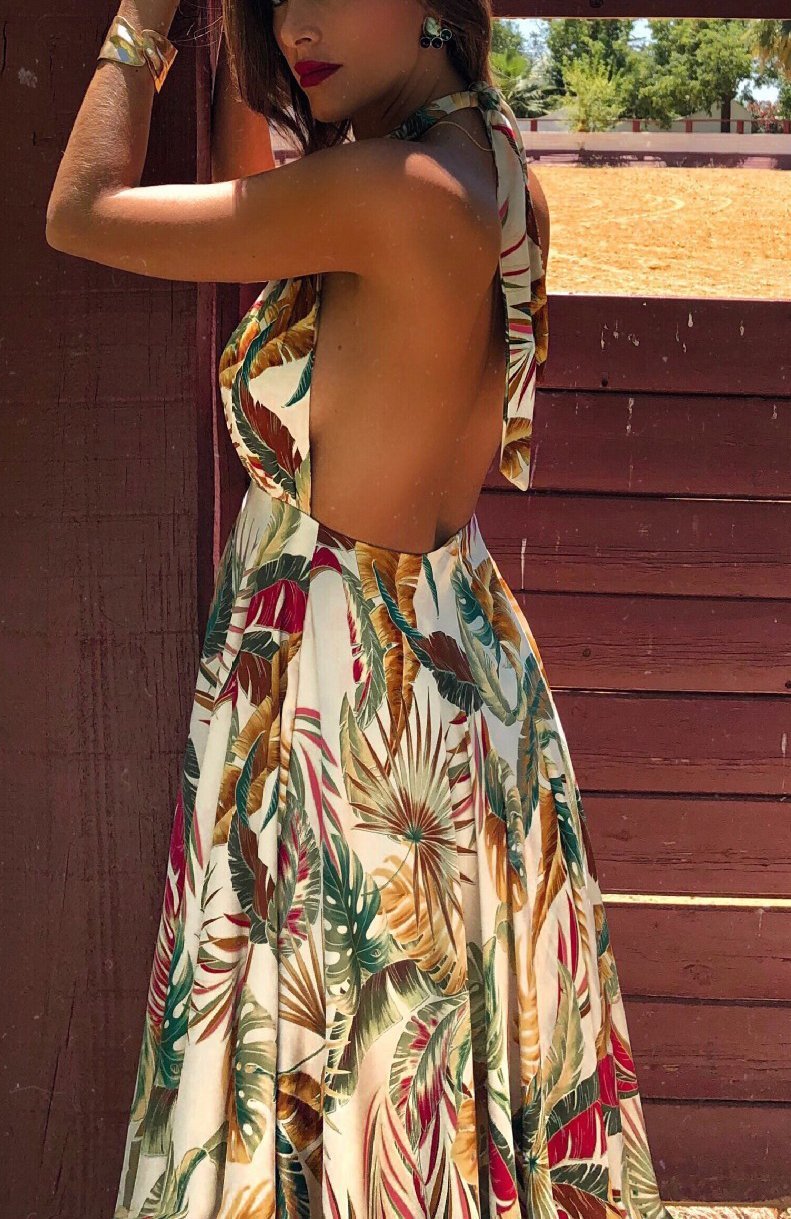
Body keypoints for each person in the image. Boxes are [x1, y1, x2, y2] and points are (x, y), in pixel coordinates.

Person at [46, 2, 675, 1216]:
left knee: (354, 1092)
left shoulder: (388, 192)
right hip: (451, 677)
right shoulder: (488, 165)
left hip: (344, 706)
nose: (300, 23)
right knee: (421, 1093)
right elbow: (257, 187)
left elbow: (81, 211)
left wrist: (141, 22)